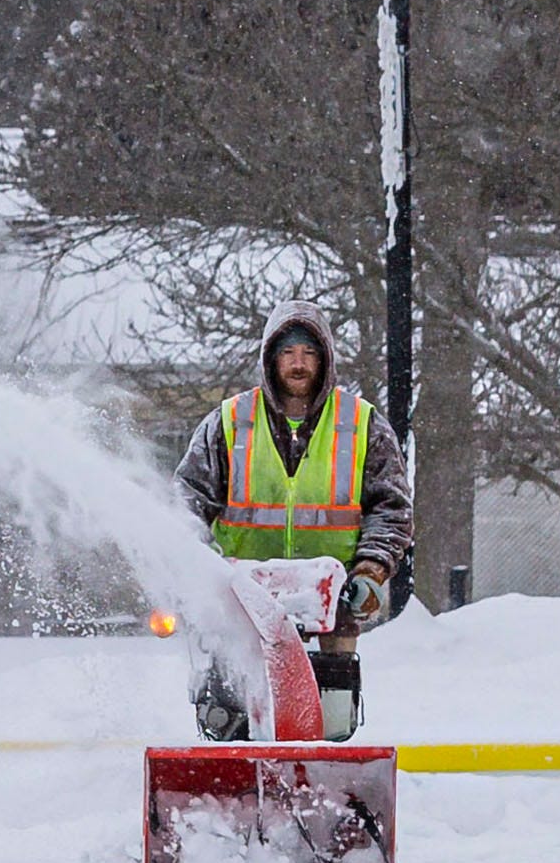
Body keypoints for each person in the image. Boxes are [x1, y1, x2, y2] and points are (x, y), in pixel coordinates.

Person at [175, 305, 416, 740]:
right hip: (242, 599)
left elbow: (391, 507)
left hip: (333, 600)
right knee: (230, 713)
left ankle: (322, 781)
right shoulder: (229, 423)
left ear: (324, 358)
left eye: (308, 351)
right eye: (288, 353)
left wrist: (371, 571)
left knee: (328, 720)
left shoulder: (362, 425)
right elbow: (186, 501)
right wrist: (202, 568)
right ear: (271, 359)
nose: (299, 363)